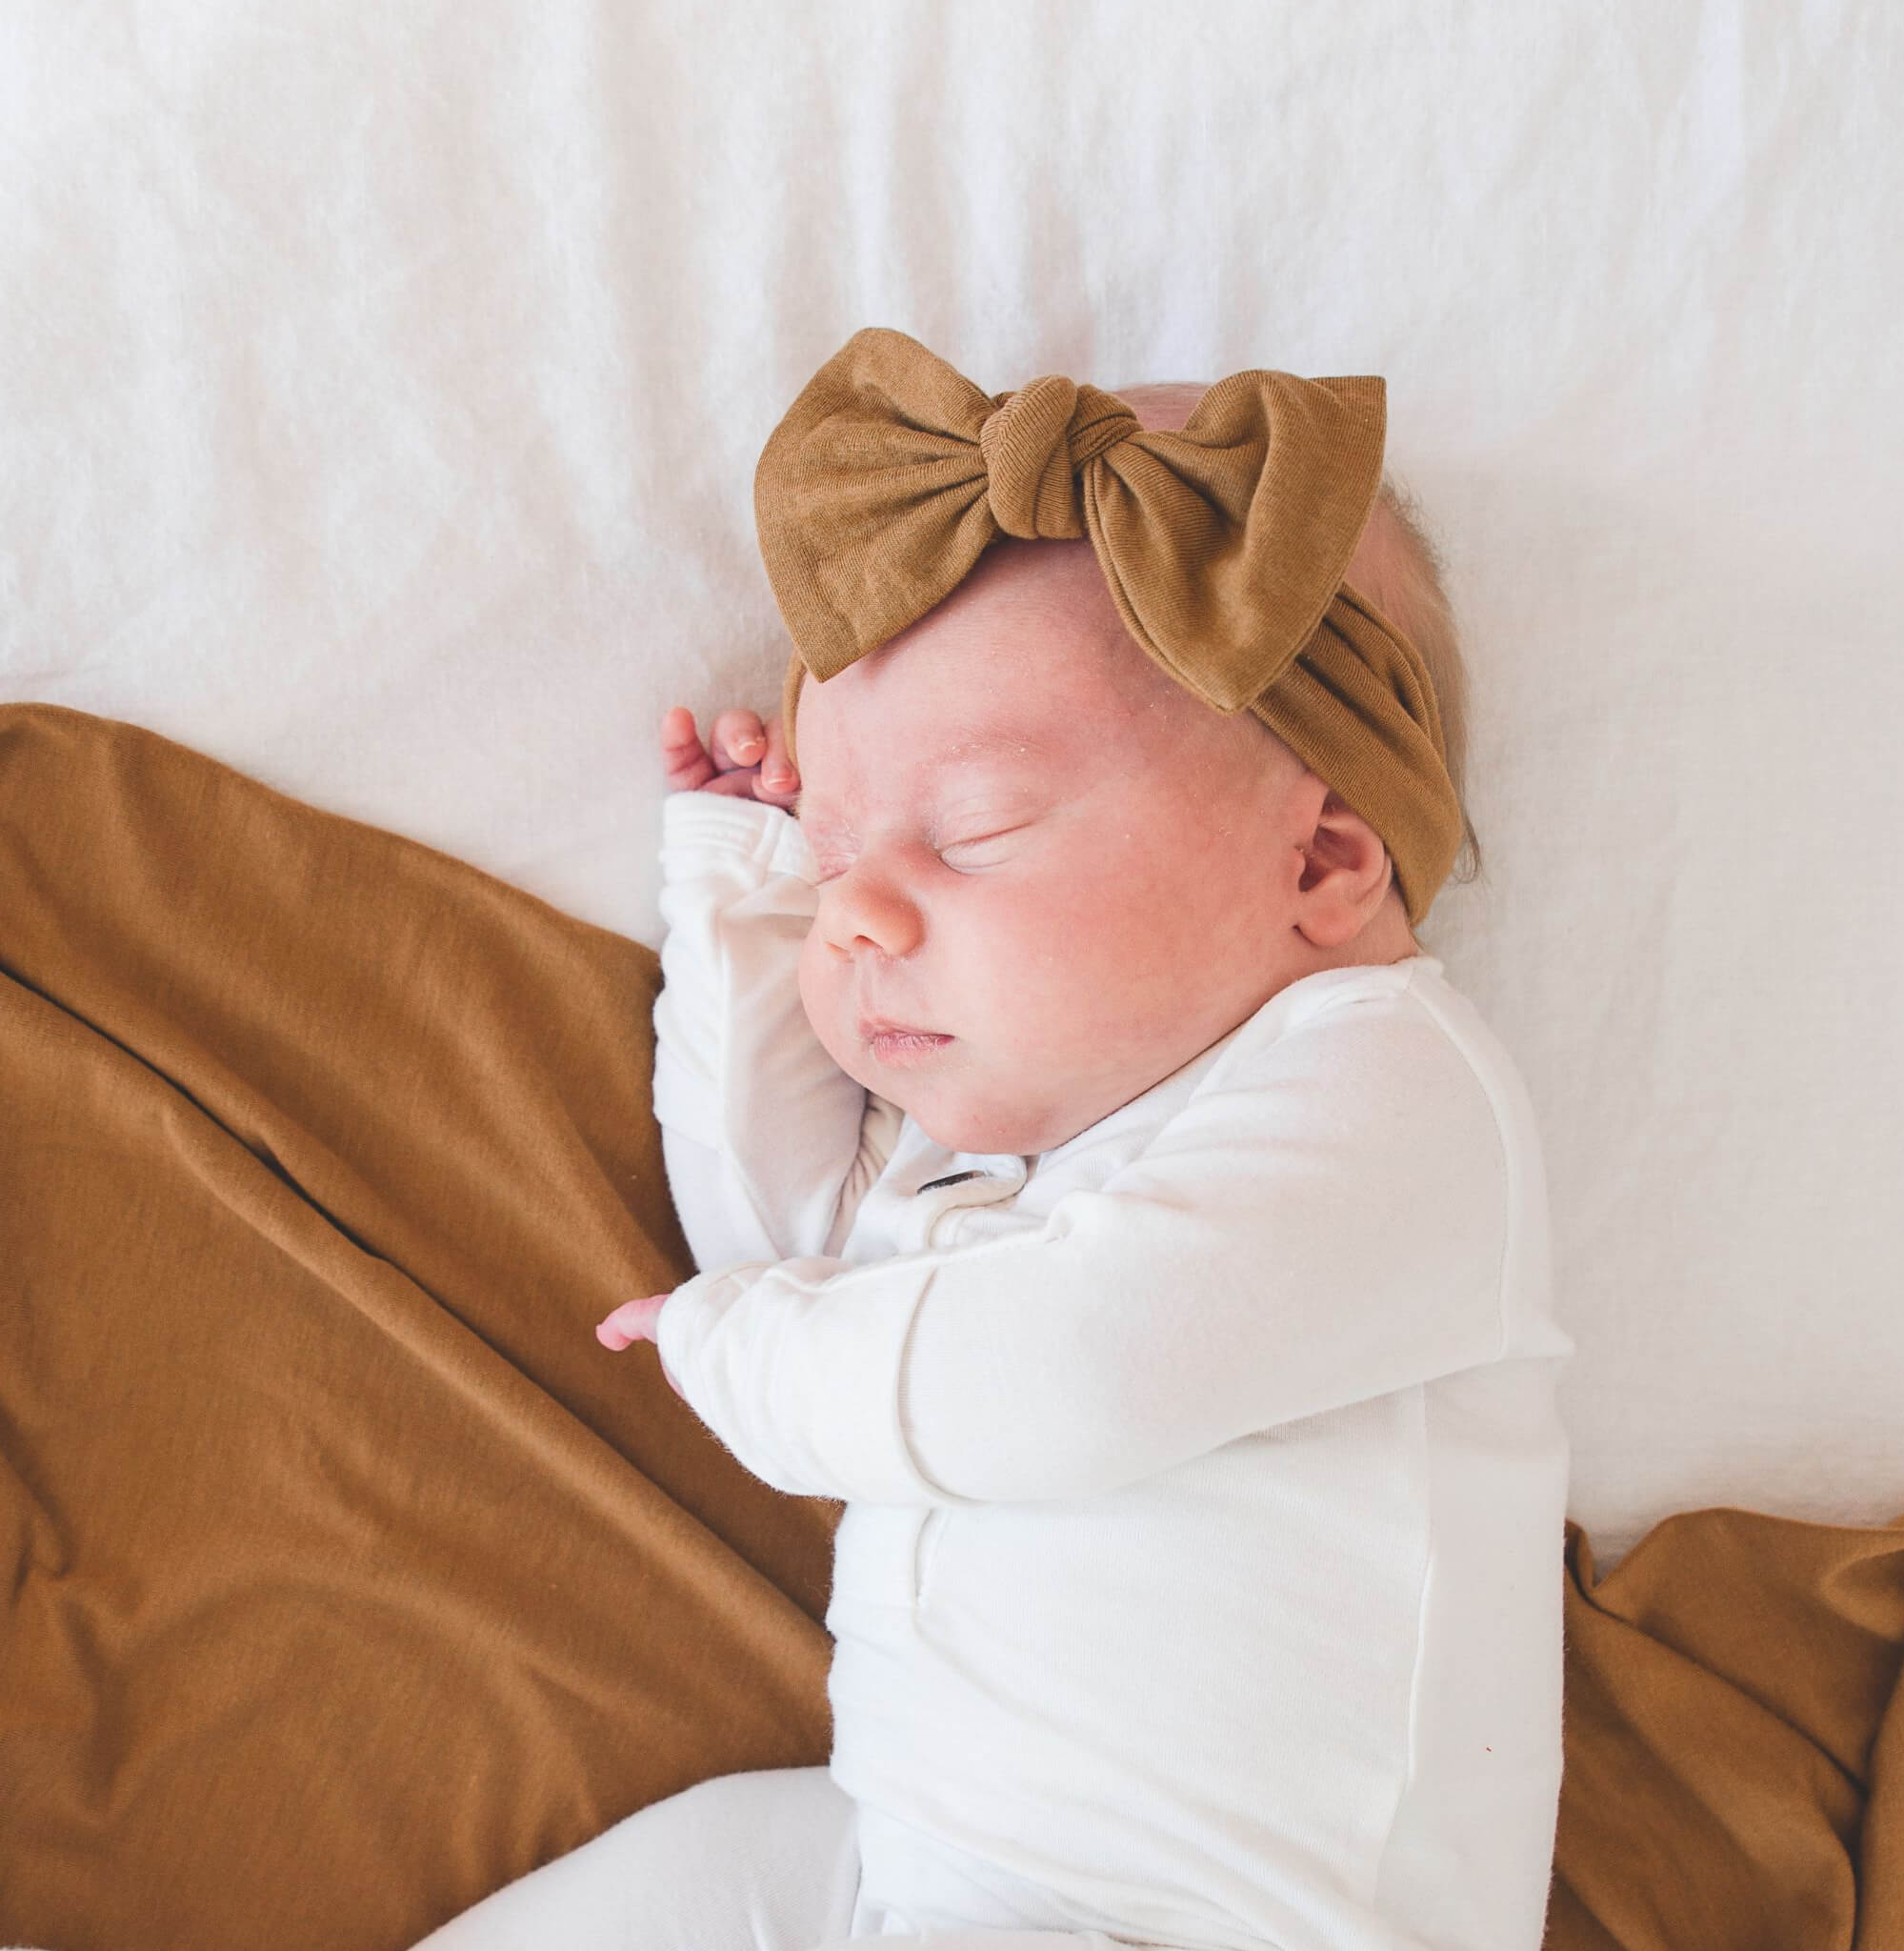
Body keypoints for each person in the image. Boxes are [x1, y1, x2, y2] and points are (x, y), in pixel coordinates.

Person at [414, 330, 1573, 1951]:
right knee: (704, 1871)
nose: (861, 915)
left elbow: (1063, 1374)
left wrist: (741, 1353)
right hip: (928, 1866)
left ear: (1320, 862)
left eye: (973, 833)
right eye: (838, 854)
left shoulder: (1394, 1096)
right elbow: (771, 1242)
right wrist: (752, 897)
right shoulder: (993, 1148)